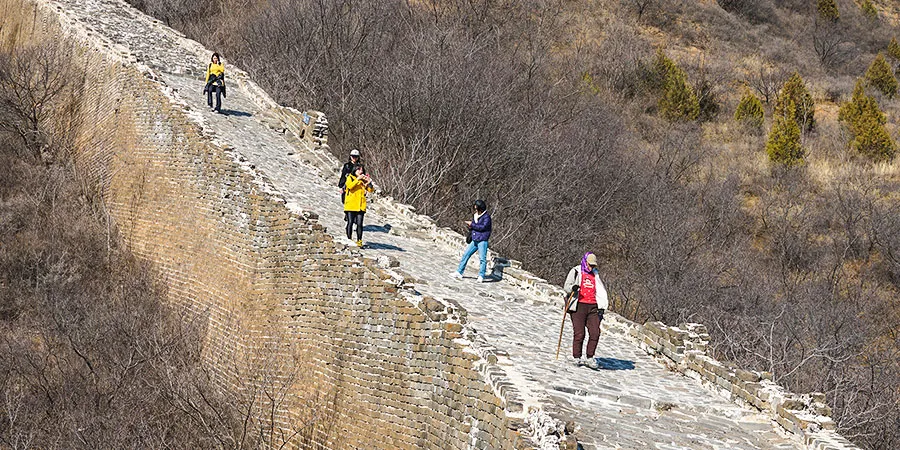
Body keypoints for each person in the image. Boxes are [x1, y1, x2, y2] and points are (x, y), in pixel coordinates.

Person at [563, 252, 608, 369]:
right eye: (590, 264)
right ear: (585, 262)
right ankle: (576, 357)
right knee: (579, 333)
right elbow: (566, 287)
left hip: (593, 306)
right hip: (578, 306)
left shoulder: (595, 274)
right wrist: (573, 288)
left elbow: (600, 290)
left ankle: (590, 357)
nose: (591, 267)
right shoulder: (576, 271)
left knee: (595, 332)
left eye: (593, 265)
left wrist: (602, 306)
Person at [451, 200, 492, 282]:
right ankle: (459, 272)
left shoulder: (487, 217)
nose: (475, 209)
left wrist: (472, 224)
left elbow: (482, 227)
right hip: (475, 239)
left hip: (482, 240)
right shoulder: (476, 215)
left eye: (476, 208)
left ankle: (481, 275)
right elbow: (474, 226)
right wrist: (470, 226)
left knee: (482, 259)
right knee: (466, 255)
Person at [343, 165, 374, 247]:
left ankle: (359, 241)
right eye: (358, 169)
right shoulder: (350, 177)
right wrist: (358, 179)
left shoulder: (363, 181)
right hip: (351, 204)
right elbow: (349, 186)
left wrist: (369, 182)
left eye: (361, 170)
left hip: (360, 205)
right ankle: (349, 239)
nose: (360, 171)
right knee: (350, 222)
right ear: (355, 170)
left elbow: (370, 190)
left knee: (360, 224)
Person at [338, 149, 363, 220]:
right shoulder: (347, 166)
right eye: (353, 156)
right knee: (345, 200)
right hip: (347, 184)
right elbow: (343, 175)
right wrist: (341, 186)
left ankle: (352, 215)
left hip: (357, 186)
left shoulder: (360, 167)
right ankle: (347, 213)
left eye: (356, 157)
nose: (354, 158)